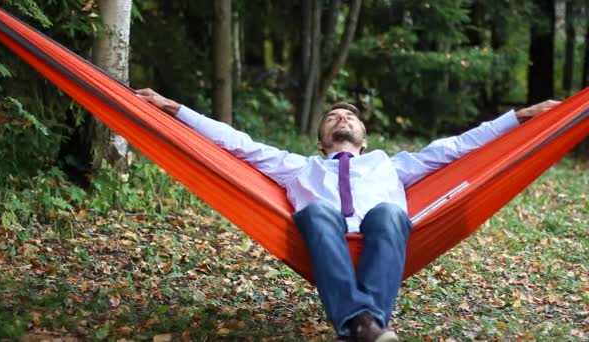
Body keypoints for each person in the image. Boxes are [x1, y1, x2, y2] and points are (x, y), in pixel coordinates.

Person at [135, 88, 558, 342]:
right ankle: (366, 323)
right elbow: (237, 143)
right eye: (334, 117)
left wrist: (519, 118)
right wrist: (175, 110)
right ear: (320, 140)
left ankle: (360, 324)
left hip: (378, 234)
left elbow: (456, 146)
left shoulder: (392, 165)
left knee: (391, 213)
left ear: (364, 136)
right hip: (323, 234)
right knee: (318, 211)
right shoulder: (298, 167)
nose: (343, 118)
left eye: (350, 117)